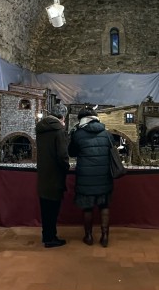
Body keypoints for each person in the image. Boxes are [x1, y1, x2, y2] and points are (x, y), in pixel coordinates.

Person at [68, 108, 113, 247]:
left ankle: (88, 236)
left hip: (85, 178)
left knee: (87, 208)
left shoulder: (78, 134)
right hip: (104, 176)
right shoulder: (106, 133)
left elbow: (72, 152)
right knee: (104, 206)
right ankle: (105, 236)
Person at [35, 103, 70, 248]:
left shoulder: (40, 128)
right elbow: (62, 154)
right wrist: (66, 166)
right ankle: (51, 238)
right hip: (55, 175)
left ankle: (47, 235)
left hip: (43, 174)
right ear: (62, 117)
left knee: (45, 209)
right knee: (53, 209)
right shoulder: (59, 131)